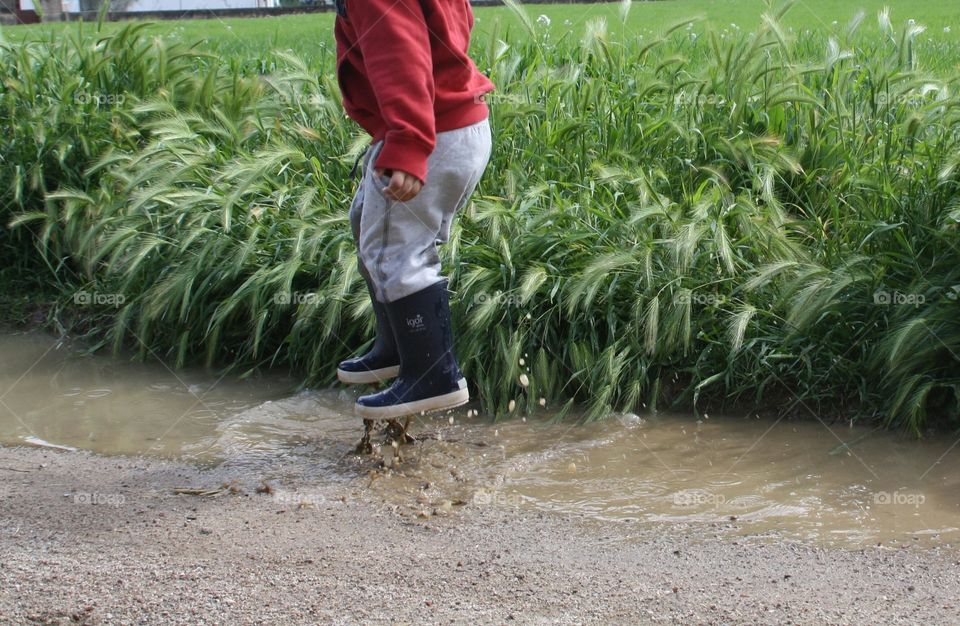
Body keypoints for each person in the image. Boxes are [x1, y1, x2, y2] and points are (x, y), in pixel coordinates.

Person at [332, 0, 494, 420]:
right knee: (366, 221)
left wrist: (408, 144)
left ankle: (432, 374)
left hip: (429, 131)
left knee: (396, 251)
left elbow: (400, 55)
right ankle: (397, 347)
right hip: (456, 126)